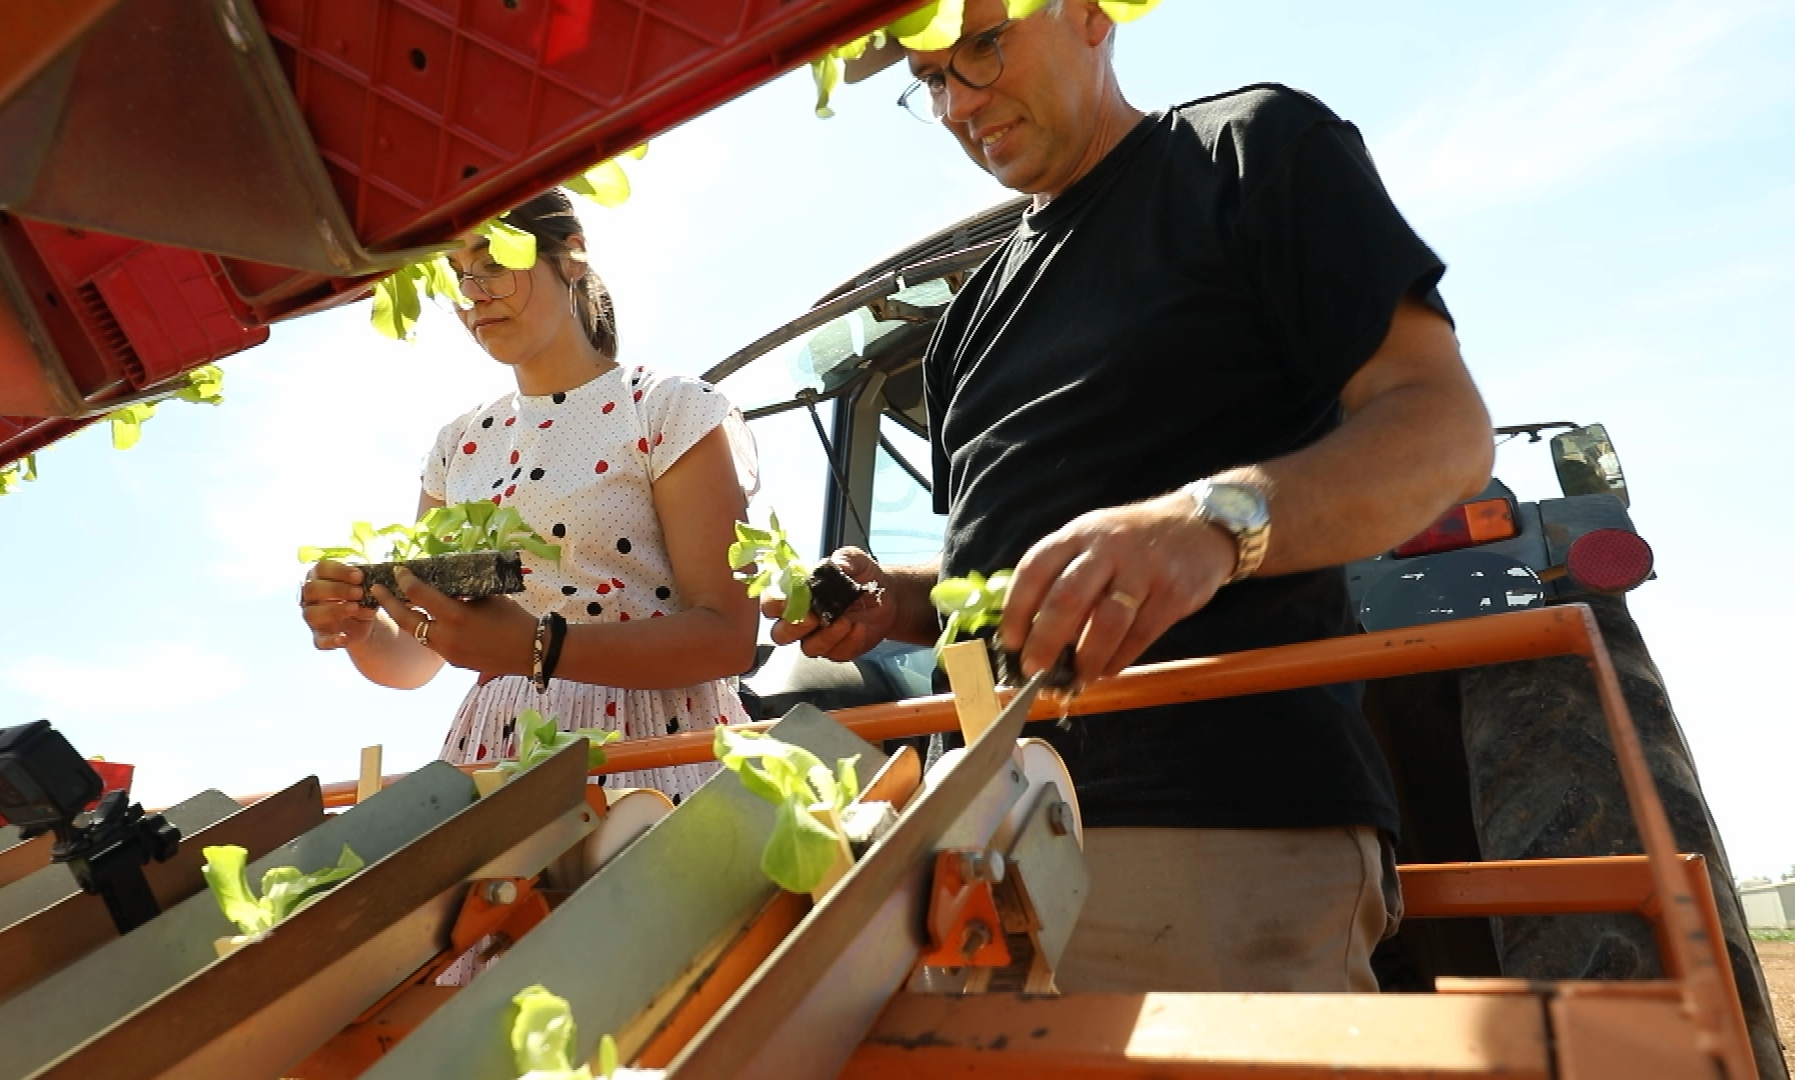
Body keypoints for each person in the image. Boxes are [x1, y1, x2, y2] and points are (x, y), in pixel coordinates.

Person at [771, 0, 1495, 993]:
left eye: (983, 47)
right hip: (974, 846)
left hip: (1203, 820)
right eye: (932, 79)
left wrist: (1208, 524)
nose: (957, 104)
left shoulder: (1246, 152)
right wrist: (893, 597)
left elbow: (1442, 431)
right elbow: (1015, 574)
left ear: (1088, 14)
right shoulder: (966, 326)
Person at [299, 190, 761, 804]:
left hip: (650, 746)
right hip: (498, 749)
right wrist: (359, 627)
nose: (474, 293)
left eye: (494, 264)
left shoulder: (664, 406)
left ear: (571, 258)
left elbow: (728, 634)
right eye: (459, 277)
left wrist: (538, 648)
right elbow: (417, 658)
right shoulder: (457, 444)